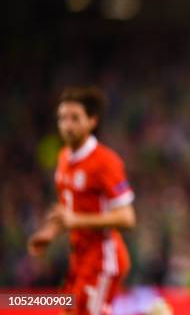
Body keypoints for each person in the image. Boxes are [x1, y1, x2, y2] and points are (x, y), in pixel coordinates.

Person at [28, 86, 136, 315]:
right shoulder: (64, 158)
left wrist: (75, 220)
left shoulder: (105, 162)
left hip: (103, 260)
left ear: (92, 121)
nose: (67, 125)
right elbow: (68, 210)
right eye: (62, 118)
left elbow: (127, 218)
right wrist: (50, 232)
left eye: (75, 118)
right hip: (79, 257)